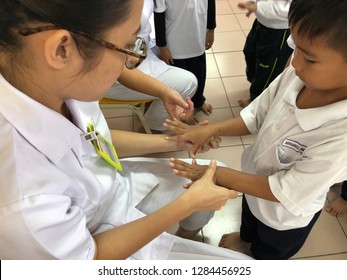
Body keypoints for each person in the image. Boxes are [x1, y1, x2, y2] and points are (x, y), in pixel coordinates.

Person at [0, 0, 255, 260]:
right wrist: (187, 204)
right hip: (99, 244)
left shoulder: (56, 83)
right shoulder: (22, 197)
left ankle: (183, 238)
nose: (129, 62)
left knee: (207, 177)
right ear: (62, 50)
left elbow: (94, 140)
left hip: (115, 192)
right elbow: (89, 260)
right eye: (128, 46)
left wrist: (177, 141)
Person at [164, 0, 347, 259]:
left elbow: (282, 192)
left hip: (284, 218)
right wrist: (211, 129)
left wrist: (216, 174)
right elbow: (254, 116)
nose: (294, 63)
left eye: (310, 58)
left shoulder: (341, 136)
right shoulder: (297, 78)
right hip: (252, 186)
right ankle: (246, 237)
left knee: (268, 251)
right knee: (249, 221)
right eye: (295, 48)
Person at [105, 0, 199, 131]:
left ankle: (155, 110)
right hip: (118, 69)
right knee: (188, 82)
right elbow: (119, 68)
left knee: (176, 48)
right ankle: (153, 125)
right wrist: (163, 92)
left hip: (139, 49)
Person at [153, 0, 215, 115]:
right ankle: (183, 109)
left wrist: (211, 29)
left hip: (197, 35)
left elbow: (211, 4)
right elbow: (159, 14)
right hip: (174, 42)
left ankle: (198, 101)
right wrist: (162, 45)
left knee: (199, 73)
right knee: (179, 80)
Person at [237, 0, 293, 108]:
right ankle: (255, 84)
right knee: (249, 53)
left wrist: (259, 7)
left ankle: (257, 101)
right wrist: (254, 5)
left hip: (279, 31)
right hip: (261, 23)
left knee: (267, 69)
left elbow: (292, 9)